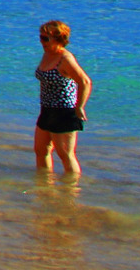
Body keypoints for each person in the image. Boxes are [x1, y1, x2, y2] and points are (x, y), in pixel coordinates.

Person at [34, 19, 92, 175]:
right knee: (40, 150)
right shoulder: (47, 54)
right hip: (46, 109)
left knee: (65, 154)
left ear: (58, 39)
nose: (42, 41)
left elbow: (85, 82)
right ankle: (44, 185)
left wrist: (79, 107)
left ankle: (71, 190)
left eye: (45, 38)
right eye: (41, 37)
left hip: (64, 112)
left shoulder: (65, 59)